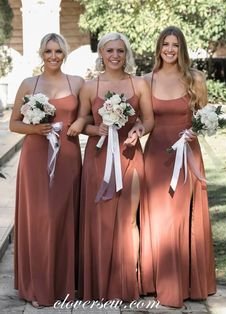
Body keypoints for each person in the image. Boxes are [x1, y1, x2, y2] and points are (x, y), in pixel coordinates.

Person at [131, 26, 217, 307]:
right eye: (165, 44)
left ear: (182, 49)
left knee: (180, 217)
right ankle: (156, 282)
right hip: (156, 155)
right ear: (158, 48)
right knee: (157, 218)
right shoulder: (146, 80)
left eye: (175, 45)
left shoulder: (195, 79)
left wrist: (198, 130)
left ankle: (183, 283)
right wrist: (135, 133)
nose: (169, 49)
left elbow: (204, 116)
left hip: (186, 154)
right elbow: (144, 120)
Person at [71, 32, 154, 301]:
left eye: (120, 51)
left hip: (130, 155)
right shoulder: (88, 86)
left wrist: (139, 129)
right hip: (99, 159)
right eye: (110, 51)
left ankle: (128, 283)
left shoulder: (139, 84)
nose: (115, 56)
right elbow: (80, 121)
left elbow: (149, 121)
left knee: (129, 220)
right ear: (101, 54)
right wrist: (96, 128)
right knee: (100, 221)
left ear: (126, 53)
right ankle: (98, 285)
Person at [9, 33, 84, 307]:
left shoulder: (76, 82)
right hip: (36, 157)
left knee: (63, 216)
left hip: (67, 157)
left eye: (58, 52)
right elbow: (14, 123)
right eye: (49, 51)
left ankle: (64, 284)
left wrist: (81, 123)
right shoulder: (29, 83)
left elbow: (87, 113)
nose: (53, 56)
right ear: (41, 53)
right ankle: (38, 284)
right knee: (40, 219)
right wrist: (34, 128)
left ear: (64, 54)